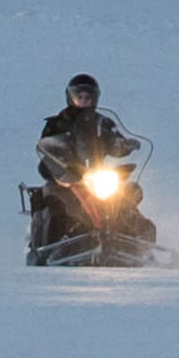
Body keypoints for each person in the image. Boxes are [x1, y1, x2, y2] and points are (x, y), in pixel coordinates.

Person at [32, 75, 153, 256]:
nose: (83, 101)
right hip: (67, 176)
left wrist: (124, 145)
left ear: (95, 98)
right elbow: (47, 147)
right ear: (71, 97)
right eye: (79, 97)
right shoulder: (57, 123)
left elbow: (113, 140)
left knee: (127, 197)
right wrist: (56, 164)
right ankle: (51, 245)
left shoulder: (102, 123)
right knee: (52, 197)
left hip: (95, 175)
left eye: (88, 97)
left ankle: (139, 246)